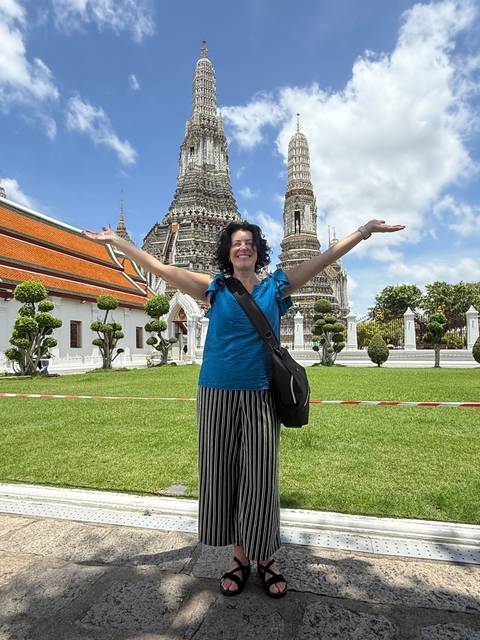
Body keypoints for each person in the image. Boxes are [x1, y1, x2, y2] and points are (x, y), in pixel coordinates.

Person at [83, 218, 404, 598]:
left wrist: (363, 231)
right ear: (228, 251)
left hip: (260, 395)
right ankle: (239, 558)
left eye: (249, 242)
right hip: (216, 393)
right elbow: (162, 269)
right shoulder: (214, 288)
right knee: (225, 475)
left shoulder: (276, 287)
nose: (243, 247)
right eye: (236, 243)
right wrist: (118, 243)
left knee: (260, 479)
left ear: (257, 250)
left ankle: (265, 557)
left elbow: (323, 259)